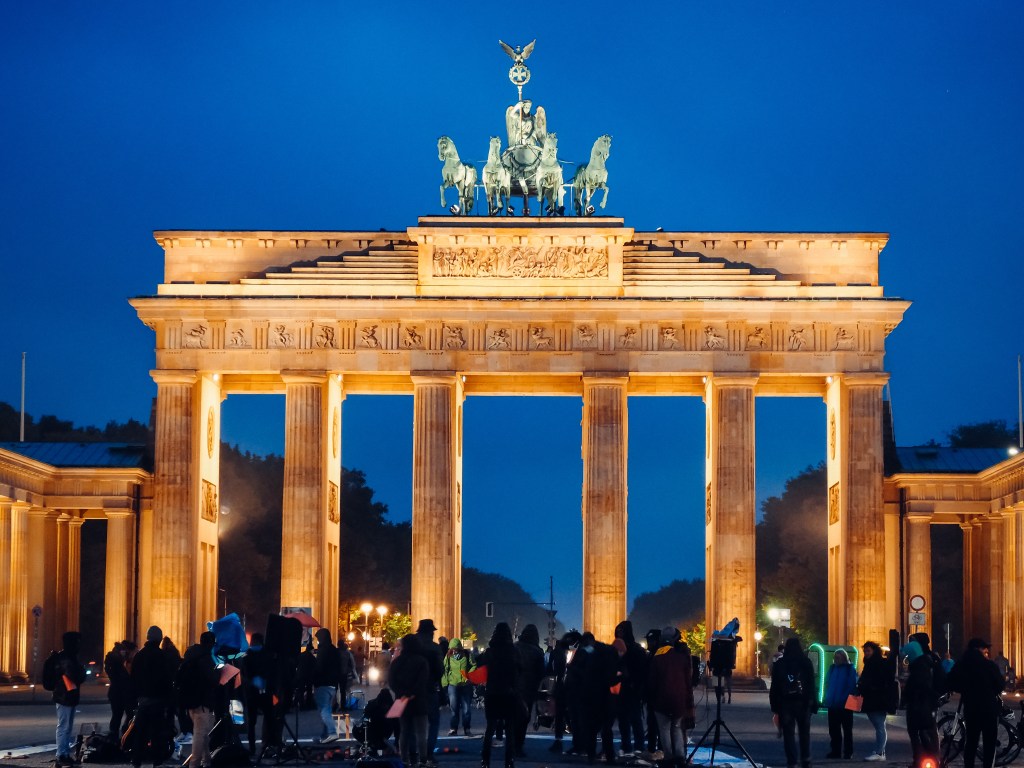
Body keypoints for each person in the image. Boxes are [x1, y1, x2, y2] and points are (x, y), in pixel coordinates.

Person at [949, 638, 1005, 768]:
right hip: (989, 709)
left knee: (971, 742)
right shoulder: (989, 665)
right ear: (978, 649)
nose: (986, 650)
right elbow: (1000, 684)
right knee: (989, 744)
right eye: (984, 648)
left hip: (971, 708)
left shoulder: (962, 665)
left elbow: (951, 681)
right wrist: (990, 691)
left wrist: (964, 689)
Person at [645, 626, 695, 768]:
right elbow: (688, 679)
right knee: (677, 728)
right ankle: (680, 757)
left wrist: (651, 698)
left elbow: (652, 681)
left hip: (661, 700)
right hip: (678, 700)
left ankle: (668, 757)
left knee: (664, 729)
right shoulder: (681, 657)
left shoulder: (657, 657)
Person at [478, 622, 524, 768]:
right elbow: (520, 670)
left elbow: (480, 668)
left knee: (490, 727)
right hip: (509, 693)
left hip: (492, 692)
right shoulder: (514, 651)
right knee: (510, 729)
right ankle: (509, 761)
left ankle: (485, 760)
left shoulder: (489, 652)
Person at [129, 626, 175, 768]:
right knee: (157, 732)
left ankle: (136, 760)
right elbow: (166, 678)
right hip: (157, 699)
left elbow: (133, 677)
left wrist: (135, 697)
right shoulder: (161, 656)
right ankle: (157, 761)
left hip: (142, 699)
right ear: (159, 639)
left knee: (140, 732)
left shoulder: (139, 655)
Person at [769, 636, 816, 768]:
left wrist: (774, 706)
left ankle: (792, 761)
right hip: (803, 702)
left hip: (786, 703)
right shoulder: (806, 662)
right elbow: (812, 684)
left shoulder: (779, 664)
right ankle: (806, 758)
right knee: (804, 733)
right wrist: (813, 702)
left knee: (788, 734)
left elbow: (775, 686)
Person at [178, 631, 221, 768]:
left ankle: (207, 760)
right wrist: (219, 671)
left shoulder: (191, 655)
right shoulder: (205, 659)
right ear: (210, 643)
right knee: (200, 734)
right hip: (203, 701)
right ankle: (195, 764)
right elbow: (213, 679)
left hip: (191, 700)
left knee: (204, 735)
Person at [389, 633, 431, 768]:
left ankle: (404, 759)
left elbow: (392, 681)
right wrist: (413, 693)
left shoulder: (397, 661)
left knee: (404, 731)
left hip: (401, 700)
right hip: (418, 699)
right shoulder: (422, 661)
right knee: (421, 732)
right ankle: (422, 760)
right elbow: (423, 680)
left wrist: (402, 693)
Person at [613, 621, 648, 757]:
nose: (619, 634)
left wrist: (637, 686)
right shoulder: (617, 648)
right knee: (623, 720)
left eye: (621, 631)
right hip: (621, 689)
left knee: (635, 719)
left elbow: (642, 671)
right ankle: (626, 745)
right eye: (618, 631)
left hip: (632, 689)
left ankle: (639, 746)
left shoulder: (636, 650)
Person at [53, 631, 88, 766]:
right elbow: (76, 675)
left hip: (68, 696)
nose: (79, 645)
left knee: (66, 726)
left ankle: (65, 753)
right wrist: (82, 673)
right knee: (64, 726)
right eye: (77, 642)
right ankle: (61, 754)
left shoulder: (66, 656)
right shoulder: (67, 658)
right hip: (65, 696)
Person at [415, 618, 444, 767]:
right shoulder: (434, 648)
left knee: (414, 723)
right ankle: (429, 753)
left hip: (412, 690)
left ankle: (413, 754)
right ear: (430, 632)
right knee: (433, 722)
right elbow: (440, 670)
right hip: (430, 688)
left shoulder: (411, 647)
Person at [514, 624, 545, 757]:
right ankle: (519, 746)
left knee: (513, 717)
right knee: (524, 718)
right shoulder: (537, 652)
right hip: (529, 689)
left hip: (514, 687)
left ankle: (511, 744)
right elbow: (541, 673)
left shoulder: (515, 647)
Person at [242, 632, 275, 756]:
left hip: (251, 692)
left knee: (252, 721)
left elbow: (245, 673)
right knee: (269, 717)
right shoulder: (268, 654)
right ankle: (266, 745)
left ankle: (252, 748)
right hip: (266, 691)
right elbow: (271, 671)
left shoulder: (247, 655)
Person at [822, 649, 858, 759]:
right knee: (834, 730)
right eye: (835, 657)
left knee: (846, 730)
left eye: (839, 657)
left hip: (844, 704)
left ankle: (847, 751)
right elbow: (827, 683)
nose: (836, 659)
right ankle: (836, 751)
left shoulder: (849, 669)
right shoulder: (833, 668)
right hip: (833, 703)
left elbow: (851, 686)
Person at [857, 641, 890, 761]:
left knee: (880, 726)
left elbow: (879, 681)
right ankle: (881, 751)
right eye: (865, 651)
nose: (866, 653)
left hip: (877, 699)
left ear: (874, 651)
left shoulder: (877, 664)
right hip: (873, 699)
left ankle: (880, 752)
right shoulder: (871, 663)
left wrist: (865, 685)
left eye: (868, 651)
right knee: (879, 726)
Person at [313, 628, 343, 743]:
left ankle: (331, 732)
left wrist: (314, 680)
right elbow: (339, 668)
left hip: (323, 683)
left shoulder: (323, 651)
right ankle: (324, 735)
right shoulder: (334, 650)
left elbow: (319, 668)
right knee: (327, 709)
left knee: (324, 710)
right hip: (332, 684)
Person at [104, 640, 136, 738]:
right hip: (122, 694)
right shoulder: (119, 664)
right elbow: (123, 679)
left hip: (118, 694)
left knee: (118, 717)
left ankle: (117, 737)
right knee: (127, 716)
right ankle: (122, 737)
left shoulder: (118, 663)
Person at [443, 638, 475, 736]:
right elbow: (445, 670)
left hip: (465, 685)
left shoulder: (467, 654)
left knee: (466, 709)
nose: (454, 651)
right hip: (453, 685)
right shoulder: (448, 657)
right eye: (452, 649)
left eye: (456, 648)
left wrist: (469, 676)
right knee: (454, 709)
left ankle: (467, 728)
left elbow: (474, 665)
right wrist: (445, 683)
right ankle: (453, 728)